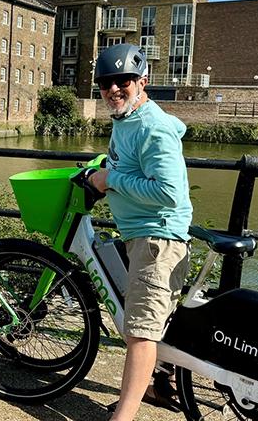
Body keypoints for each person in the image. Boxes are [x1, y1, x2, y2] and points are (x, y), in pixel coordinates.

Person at [88, 44, 192, 421]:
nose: (114, 89)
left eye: (123, 81)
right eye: (106, 83)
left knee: (141, 332)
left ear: (142, 81)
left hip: (157, 239)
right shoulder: (127, 120)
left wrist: (110, 179)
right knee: (152, 321)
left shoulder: (152, 126)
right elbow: (127, 163)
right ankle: (159, 383)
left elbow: (169, 192)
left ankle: (123, 417)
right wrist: (102, 170)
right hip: (142, 235)